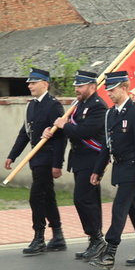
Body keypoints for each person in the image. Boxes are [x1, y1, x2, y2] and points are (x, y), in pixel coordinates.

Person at [89, 71, 135, 270]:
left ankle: (110, 253)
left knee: (119, 208)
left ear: (124, 88)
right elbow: (106, 145)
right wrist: (98, 170)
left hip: (133, 168)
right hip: (120, 167)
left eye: (113, 89)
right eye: (107, 89)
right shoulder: (111, 113)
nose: (109, 93)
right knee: (134, 209)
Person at [5, 68, 67, 255]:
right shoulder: (30, 106)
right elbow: (25, 133)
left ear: (45, 84)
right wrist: (12, 155)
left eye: (33, 83)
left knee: (36, 196)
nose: (30, 86)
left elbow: (60, 137)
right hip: (35, 158)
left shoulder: (53, 105)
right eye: (29, 83)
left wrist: (57, 164)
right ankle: (58, 236)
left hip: (47, 159)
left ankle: (39, 237)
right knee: (47, 196)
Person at [47, 69, 108, 260]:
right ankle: (94, 240)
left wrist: (64, 126)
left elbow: (84, 131)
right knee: (86, 200)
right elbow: (71, 129)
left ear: (92, 86)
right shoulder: (79, 105)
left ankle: (97, 239)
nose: (76, 89)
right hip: (80, 159)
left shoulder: (98, 106)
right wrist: (54, 130)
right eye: (76, 86)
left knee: (84, 200)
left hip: (92, 159)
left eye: (80, 86)